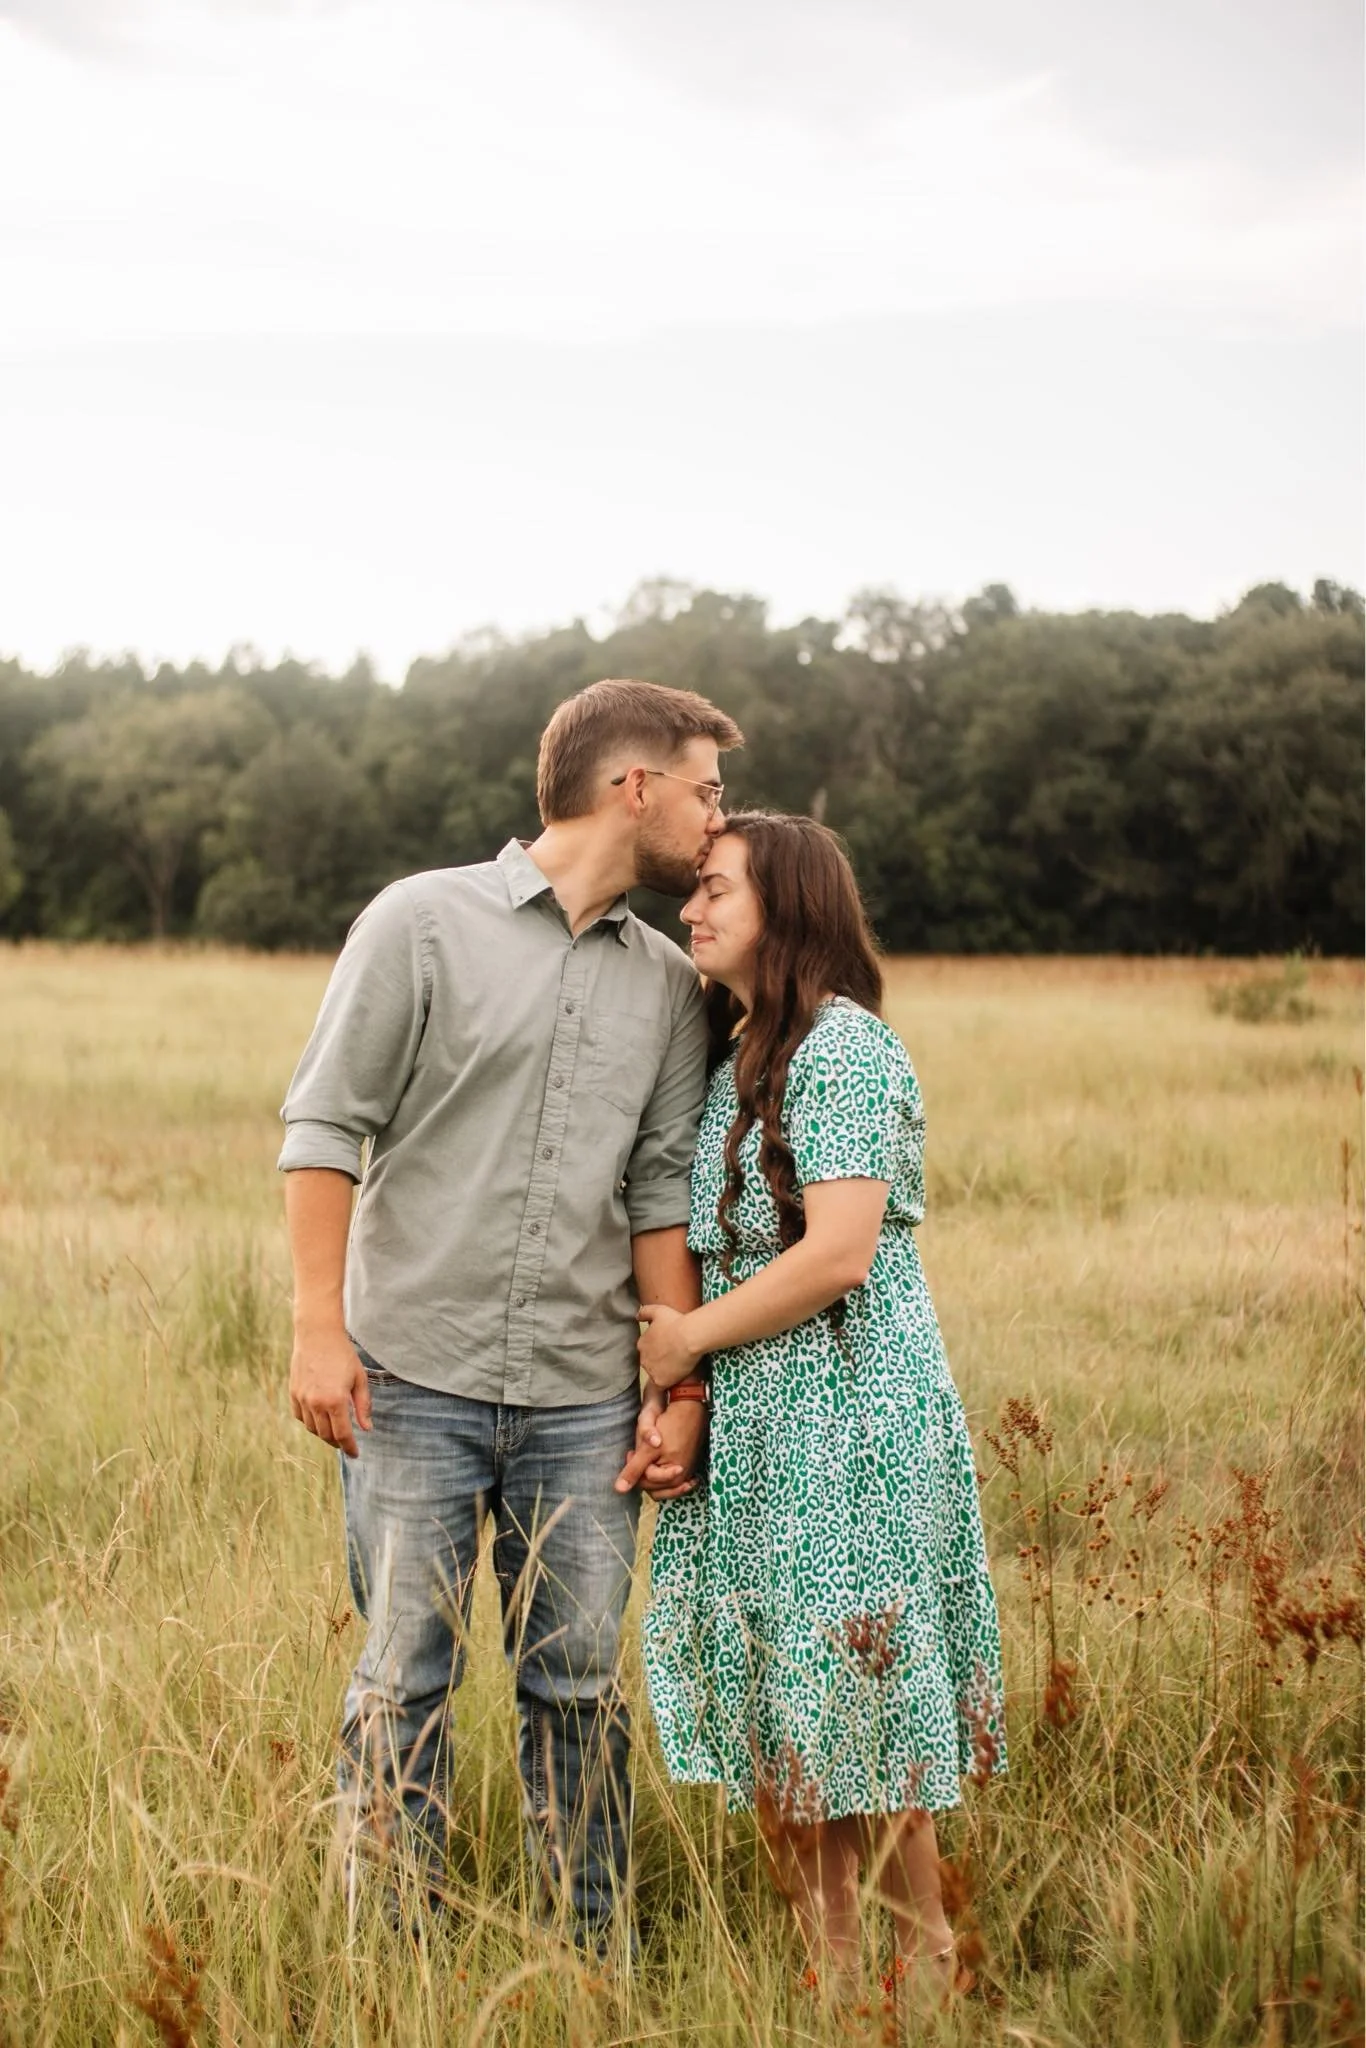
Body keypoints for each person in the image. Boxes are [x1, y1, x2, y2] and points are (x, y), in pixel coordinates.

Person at [278, 677, 742, 1943]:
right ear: (629, 785)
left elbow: (657, 1195)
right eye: (707, 789)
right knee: (402, 1682)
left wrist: (678, 1388)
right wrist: (320, 1328)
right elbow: (324, 1128)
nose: (719, 819)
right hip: (408, 1377)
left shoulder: (666, 984)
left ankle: (591, 1957)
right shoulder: (418, 922)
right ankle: (396, 1966)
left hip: (582, 1398)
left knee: (580, 1689)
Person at [637, 811, 1007, 2001]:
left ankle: (931, 1963)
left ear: (787, 908)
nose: (690, 908)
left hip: (848, 1409)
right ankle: (835, 1969)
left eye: (714, 891)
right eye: (692, 890)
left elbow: (839, 1250)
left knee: (859, 1693)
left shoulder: (841, 1048)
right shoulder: (740, 1045)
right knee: (781, 1693)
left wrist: (686, 1335)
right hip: (763, 1415)